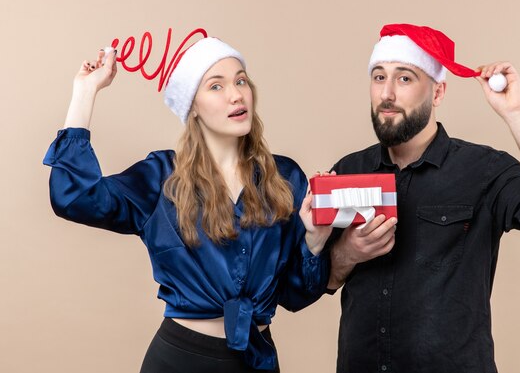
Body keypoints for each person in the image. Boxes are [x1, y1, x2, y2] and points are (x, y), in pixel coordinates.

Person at [43, 36, 332, 372]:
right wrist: (85, 90)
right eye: (216, 86)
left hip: (257, 360)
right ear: (192, 105)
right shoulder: (161, 179)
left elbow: (296, 295)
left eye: (241, 81)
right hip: (181, 360)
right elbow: (74, 197)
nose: (236, 94)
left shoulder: (285, 178)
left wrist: (315, 239)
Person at [325, 24, 520, 373]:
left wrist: (517, 113)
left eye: (404, 79)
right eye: (378, 77)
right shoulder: (348, 171)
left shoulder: (484, 170)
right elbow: (322, 278)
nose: (387, 93)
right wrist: (348, 253)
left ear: (438, 92)